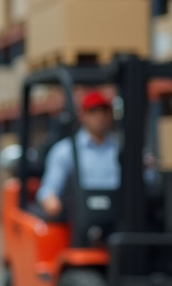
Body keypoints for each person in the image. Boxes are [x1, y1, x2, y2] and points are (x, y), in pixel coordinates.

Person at [36, 90, 119, 218]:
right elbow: (49, 188)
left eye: (103, 111)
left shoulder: (121, 147)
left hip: (119, 215)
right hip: (82, 219)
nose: (99, 116)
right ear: (82, 115)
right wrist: (50, 199)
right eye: (93, 111)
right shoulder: (65, 151)